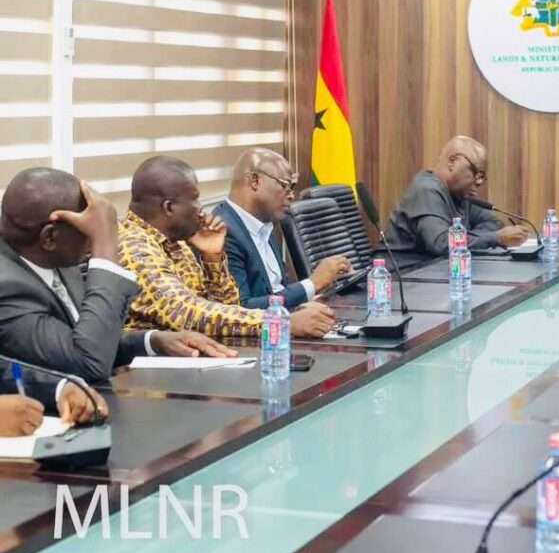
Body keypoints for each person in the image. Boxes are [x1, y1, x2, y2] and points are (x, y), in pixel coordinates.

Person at [0, 168, 231, 420]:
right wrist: (106, 248)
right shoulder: (8, 286)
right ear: (50, 237)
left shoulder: (56, 260)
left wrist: (152, 341)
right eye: (90, 233)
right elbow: (87, 361)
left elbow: (85, 338)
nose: (96, 241)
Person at [118, 156, 335, 338]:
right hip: (152, 378)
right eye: (195, 200)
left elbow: (228, 307)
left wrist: (213, 258)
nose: (201, 209)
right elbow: (186, 314)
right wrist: (279, 322)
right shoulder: (134, 247)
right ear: (169, 207)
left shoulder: (176, 243)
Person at [214, 149, 351, 310]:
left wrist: (309, 299)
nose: (292, 195)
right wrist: (313, 284)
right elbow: (242, 309)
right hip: (261, 333)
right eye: (286, 185)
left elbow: (278, 289)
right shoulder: (222, 232)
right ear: (255, 181)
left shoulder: (265, 223)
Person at [386, 135, 529, 256]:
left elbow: (492, 223)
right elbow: (441, 243)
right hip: (405, 278)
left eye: (482, 177)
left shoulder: (459, 193)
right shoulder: (426, 189)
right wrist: (496, 238)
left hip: (435, 274)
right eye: (476, 174)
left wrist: (468, 239)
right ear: (453, 162)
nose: (478, 183)